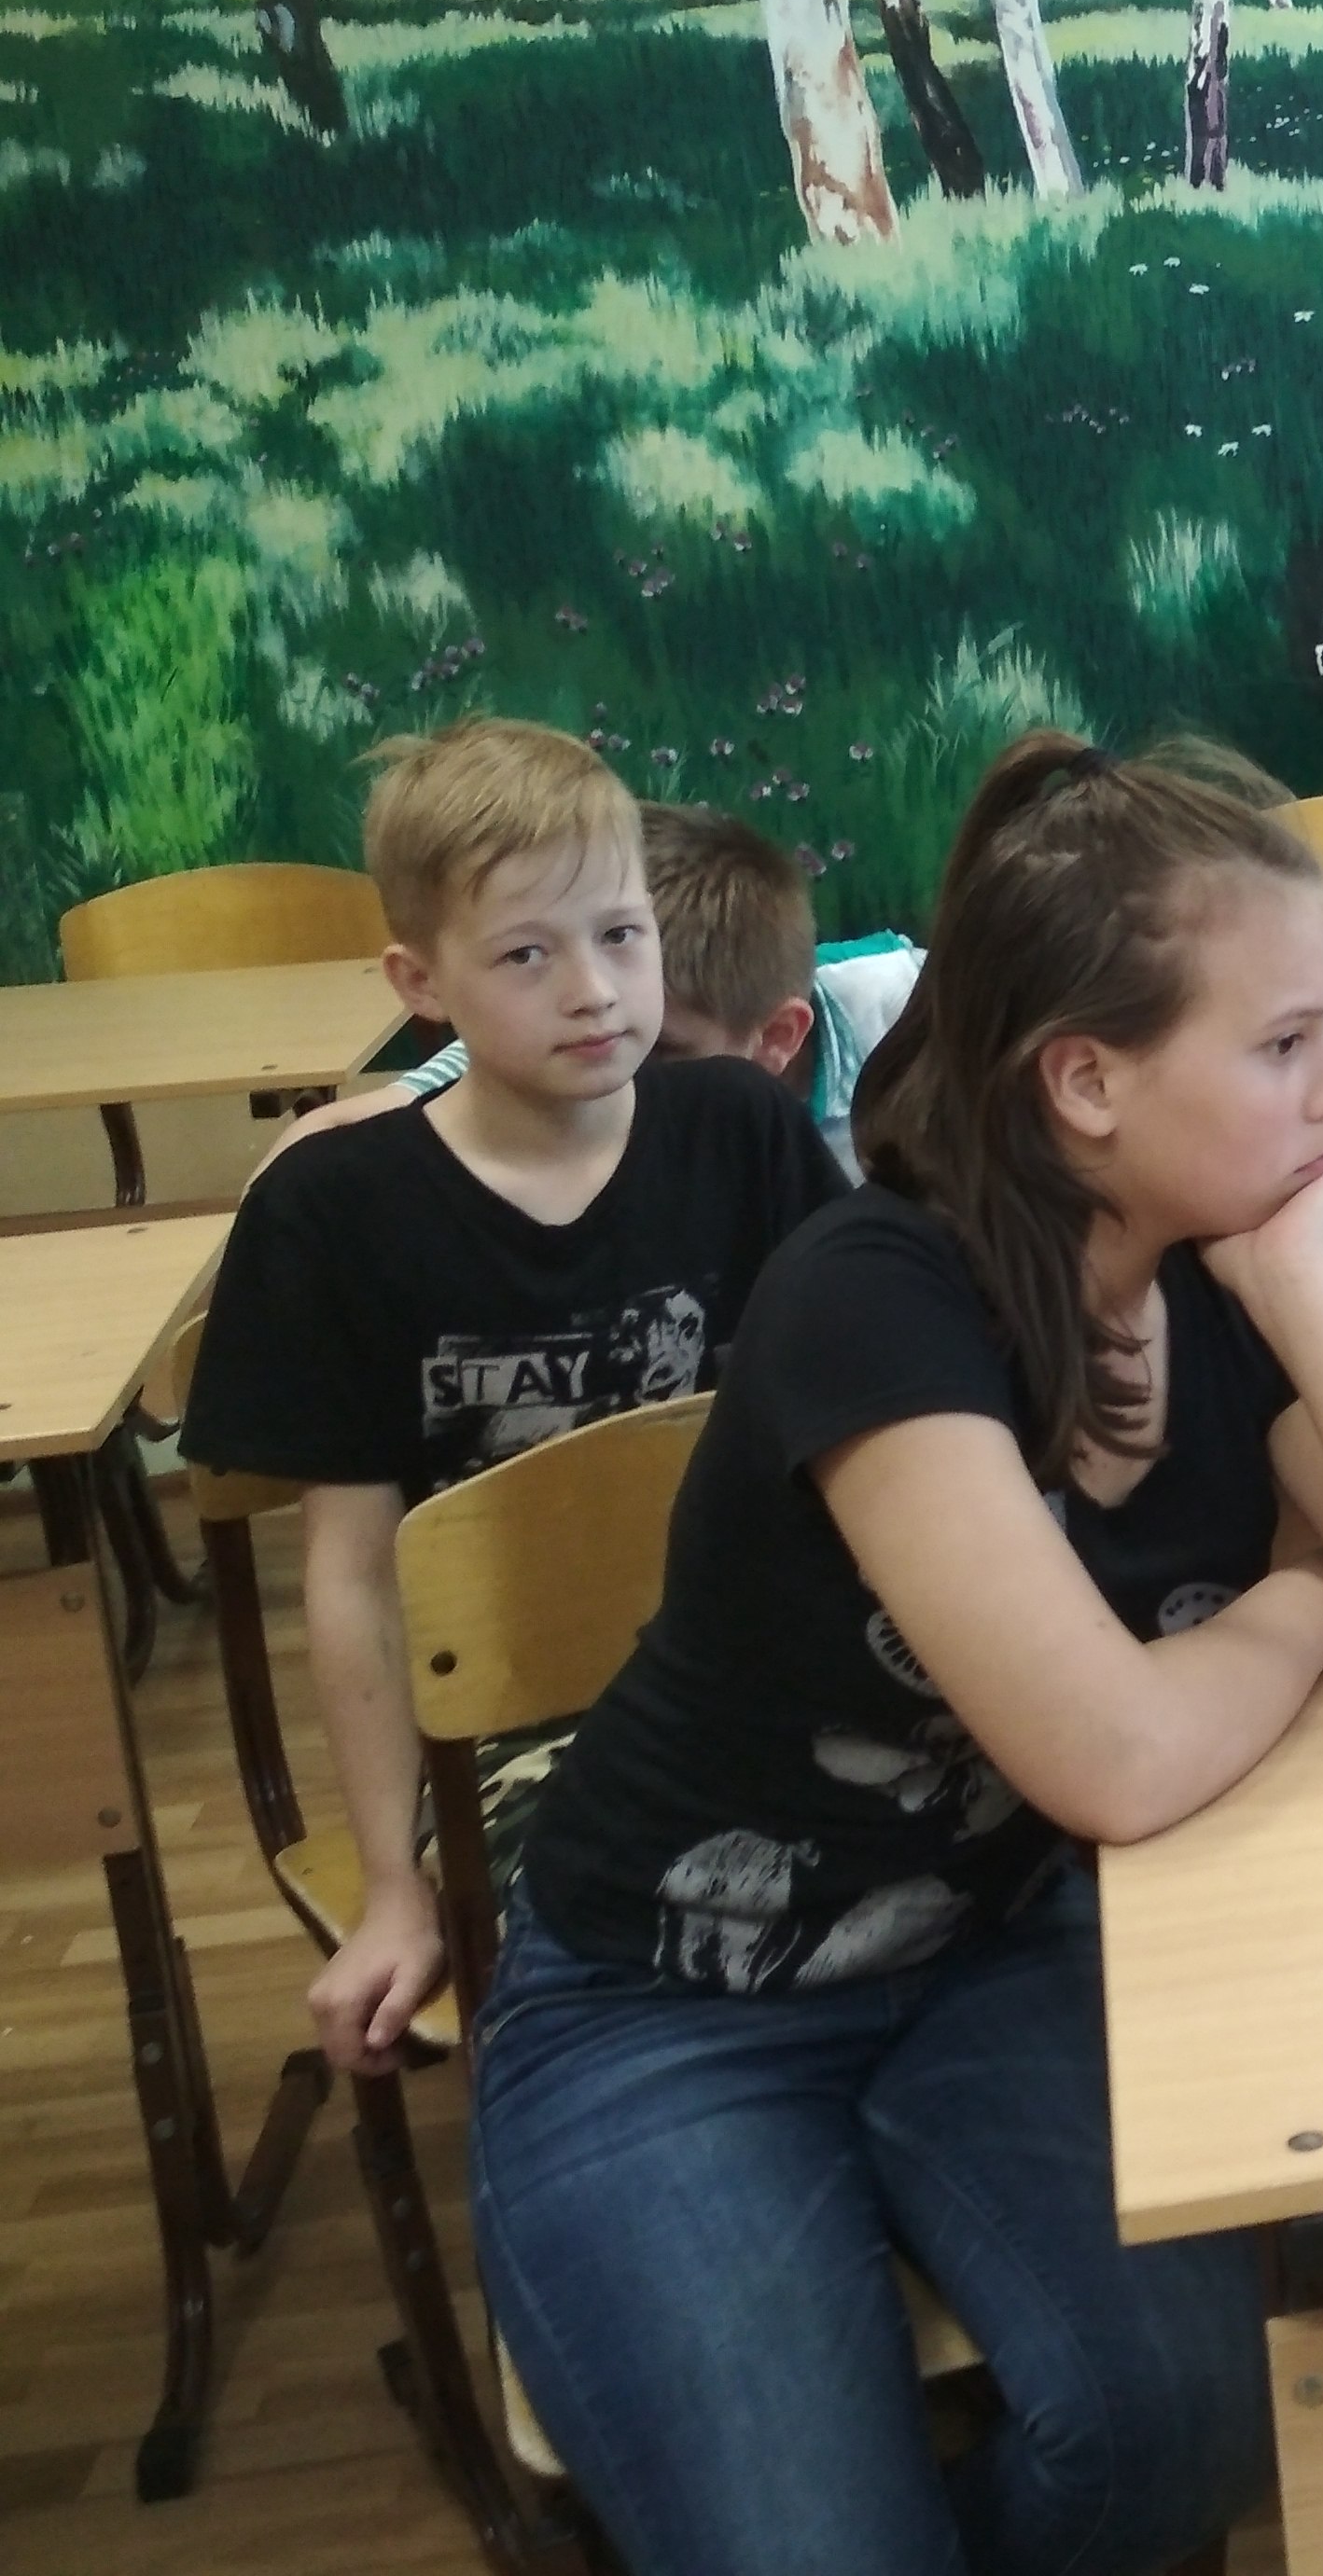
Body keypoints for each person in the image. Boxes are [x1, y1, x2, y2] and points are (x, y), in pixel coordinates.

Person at [469, 734, 1323, 2576]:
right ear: (1087, 1080)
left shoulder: (1217, 1268)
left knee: (1189, 2431)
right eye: (1285, 1043)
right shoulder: (878, 1292)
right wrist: (1310, 1599)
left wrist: (1304, 1286)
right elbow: (1114, 1760)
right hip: (672, 1999)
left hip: (1000, 1950)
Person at [184, 723, 846, 2083]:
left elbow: (856, 1441)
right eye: (527, 955)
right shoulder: (334, 1214)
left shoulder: (740, 1128)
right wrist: (393, 1887)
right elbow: (357, 1581)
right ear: (420, 983)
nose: (595, 992)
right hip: (508, 1735)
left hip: (751, 1670)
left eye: (621, 935)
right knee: (662, 1933)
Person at [274, 800, 928, 1181]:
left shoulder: (909, 1004)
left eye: (662, 1050)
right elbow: (322, 1137)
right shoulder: (574, 1039)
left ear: (777, 1038)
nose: (612, 1054)